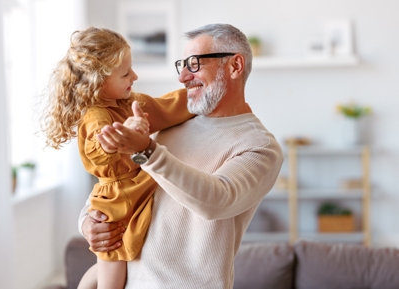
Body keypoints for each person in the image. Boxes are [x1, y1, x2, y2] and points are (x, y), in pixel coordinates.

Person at [79, 23, 284, 288]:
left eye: (195, 64)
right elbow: (117, 182)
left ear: (234, 66)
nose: (183, 76)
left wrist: (146, 150)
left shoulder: (259, 146)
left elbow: (216, 200)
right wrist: (88, 222)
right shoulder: (168, 124)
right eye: (182, 65)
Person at [39, 26, 193, 289]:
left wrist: (197, 95)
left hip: (137, 184)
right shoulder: (96, 116)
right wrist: (123, 136)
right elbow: (99, 152)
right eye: (125, 73)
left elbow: (166, 107)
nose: (134, 75)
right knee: (112, 272)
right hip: (115, 202)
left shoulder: (129, 103)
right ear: (98, 81)